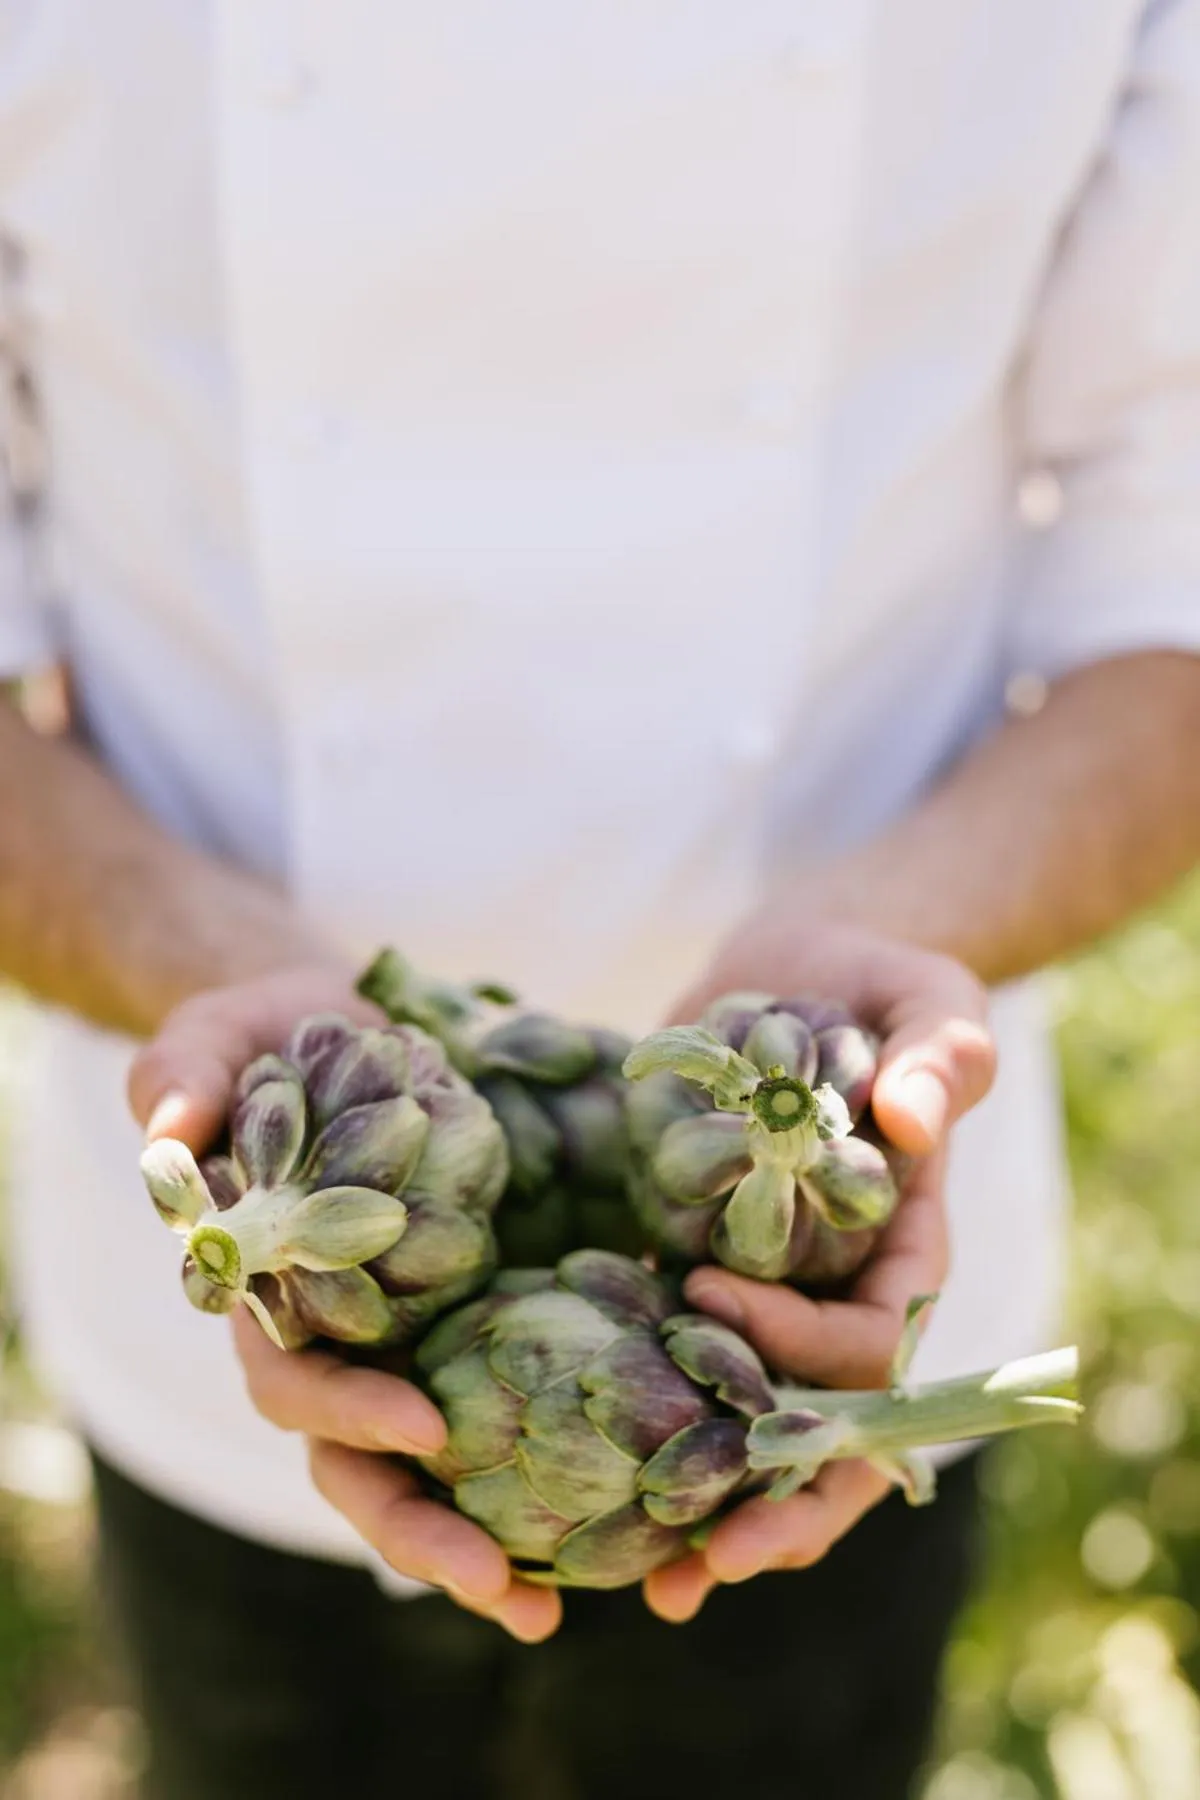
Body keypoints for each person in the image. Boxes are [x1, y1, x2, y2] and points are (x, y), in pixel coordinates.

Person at [2, 4, 1199, 1795]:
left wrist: (878, 993)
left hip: (849, 1323)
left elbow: (1167, 579)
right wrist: (206, 970)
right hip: (226, 1296)